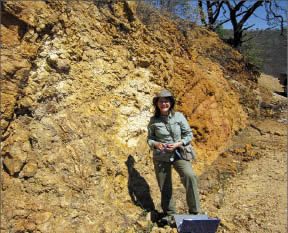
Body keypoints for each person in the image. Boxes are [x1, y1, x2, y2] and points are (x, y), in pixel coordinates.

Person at [147, 89, 201, 222]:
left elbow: (189, 134)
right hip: (161, 156)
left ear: (171, 102)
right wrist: (156, 144)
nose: (164, 104)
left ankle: (195, 212)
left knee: (189, 175)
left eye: (166, 101)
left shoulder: (179, 117)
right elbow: (149, 139)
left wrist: (178, 144)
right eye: (161, 101)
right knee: (165, 185)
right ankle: (169, 214)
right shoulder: (153, 120)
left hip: (178, 154)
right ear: (157, 104)